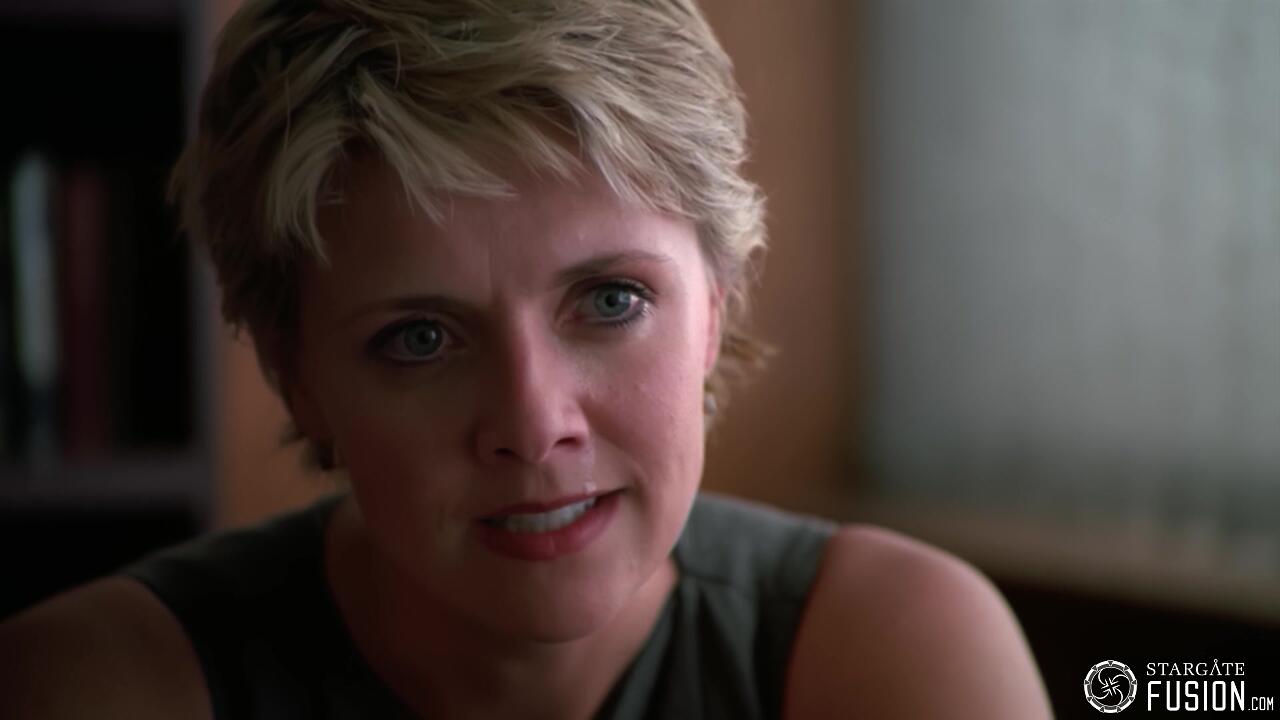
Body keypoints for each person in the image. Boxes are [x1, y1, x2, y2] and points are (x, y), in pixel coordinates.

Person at [0, 0, 1052, 717]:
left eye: (611, 300)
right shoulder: (96, 687)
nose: (533, 424)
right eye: (419, 339)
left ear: (715, 308)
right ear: (295, 375)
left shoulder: (892, 654)